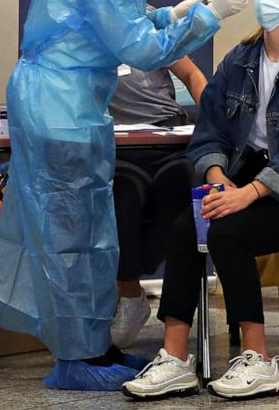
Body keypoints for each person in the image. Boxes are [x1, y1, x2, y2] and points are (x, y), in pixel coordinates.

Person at [0, 0, 250, 391]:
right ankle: (76, 359)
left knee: (93, 234)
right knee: (67, 237)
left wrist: (171, 14)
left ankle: (96, 346)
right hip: (57, 107)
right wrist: (211, 16)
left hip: (76, 101)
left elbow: (120, 19)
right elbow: (138, 47)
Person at [123, 0, 279, 401]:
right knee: (186, 228)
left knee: (228, 233)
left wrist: (245, 193)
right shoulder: (242, 58)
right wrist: (217, 180)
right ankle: (175, 358)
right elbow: (210, 128)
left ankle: (259, 357)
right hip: (247, 182)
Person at [109, 35, 208, 349]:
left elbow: (191, 74)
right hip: (117, 144)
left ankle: (171, 318)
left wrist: (213, 121)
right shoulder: (84, 26)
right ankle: (129, 294)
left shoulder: (151, 22)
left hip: (168, 136)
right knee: (121, 198)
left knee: (180, 193)